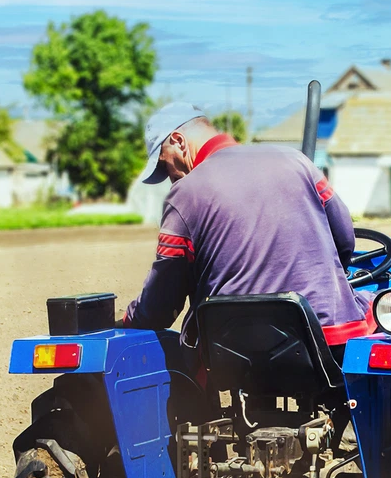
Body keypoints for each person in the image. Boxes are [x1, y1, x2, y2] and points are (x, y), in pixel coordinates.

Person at [122, 102, 366, 349]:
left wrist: (130, 318)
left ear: (178, 141)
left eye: (164, 165)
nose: (170, 178)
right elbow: (344, 241)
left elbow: (162, 301)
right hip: (326, 337)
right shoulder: (297, 161)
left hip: (232, 350)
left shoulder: (184, 195)